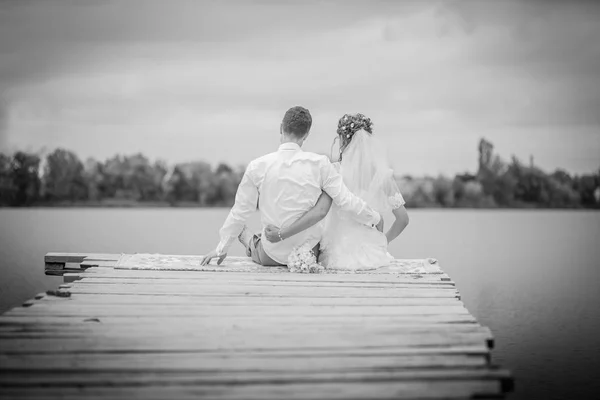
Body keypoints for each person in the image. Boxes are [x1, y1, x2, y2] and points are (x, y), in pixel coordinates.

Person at [200, 107, 383, 267]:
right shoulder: (321, 164)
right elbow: (346, 200)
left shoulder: (258, 166)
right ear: (307, 134)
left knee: (246, 233)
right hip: (308, 254)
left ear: (281, 127)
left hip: (270, 255)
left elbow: (240, 210)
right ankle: (252, 238)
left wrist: (221, 248)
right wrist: (374, 217)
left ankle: (248, 239)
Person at [264, 113, 409, 270]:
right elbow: (403, 219)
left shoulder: (334, 172)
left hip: (335, 256)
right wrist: (381, 243)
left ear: (343, 140)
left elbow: (319, 211)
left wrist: (283, 232)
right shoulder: (383, 176)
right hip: (372, 255)